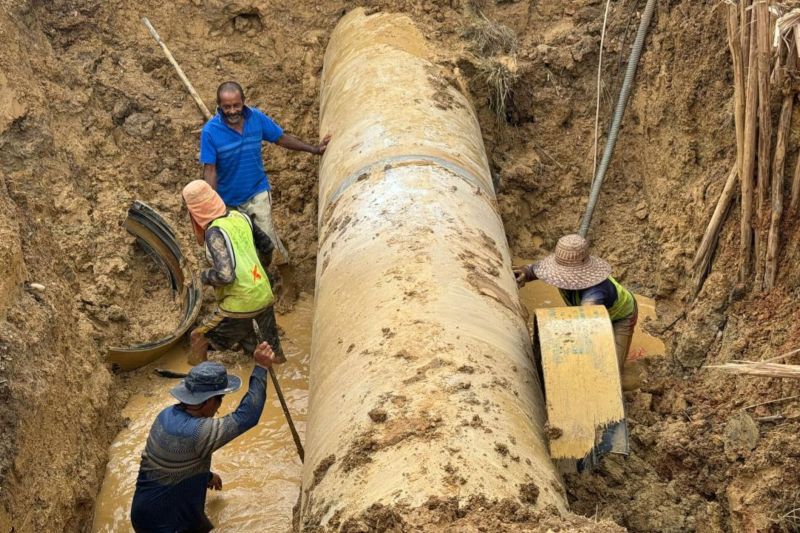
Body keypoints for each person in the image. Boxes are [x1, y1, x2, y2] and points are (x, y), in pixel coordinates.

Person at [130, 343, 282, 532]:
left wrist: (207, 476)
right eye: (220, 399)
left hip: (145, 512)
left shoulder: (165, 415)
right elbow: (247, 416)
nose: (219, 407)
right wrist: (261, 367)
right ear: (209, 400)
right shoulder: (199, 431)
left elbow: (170, 461)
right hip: (167, 523)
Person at [199, 80, 331, 267]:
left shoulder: (257, 119)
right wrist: (211, 205)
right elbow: (209, 170)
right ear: (219, 106)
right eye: (226, 107)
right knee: (239, 246)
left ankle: (285, 275)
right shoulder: (210, 132)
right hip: (228, 201)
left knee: (268, 239)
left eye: (236, 105)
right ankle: (259, 277)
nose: (232, 111)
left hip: (257, 192)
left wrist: (313, 149)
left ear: (244, 102)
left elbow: (281, 138)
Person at [182, 179, 283, 365]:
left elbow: (226, 275)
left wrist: (203, 277)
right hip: (264, 293)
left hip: (239, 304)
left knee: (198, 337)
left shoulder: (214, 233)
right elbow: (267, 246)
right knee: (272, 352)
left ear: (194, 214)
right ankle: (267, 365)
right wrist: (260, 272)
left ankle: (203, 383)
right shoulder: (240, 216)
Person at [514, 234, 637, 370]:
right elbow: (537, 270)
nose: (560, 279)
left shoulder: (594, 292)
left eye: (566, 275)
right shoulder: (557, 273)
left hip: (622, 317)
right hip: (595, 311)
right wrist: (525, 272)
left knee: (612, 367)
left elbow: (585, 320)